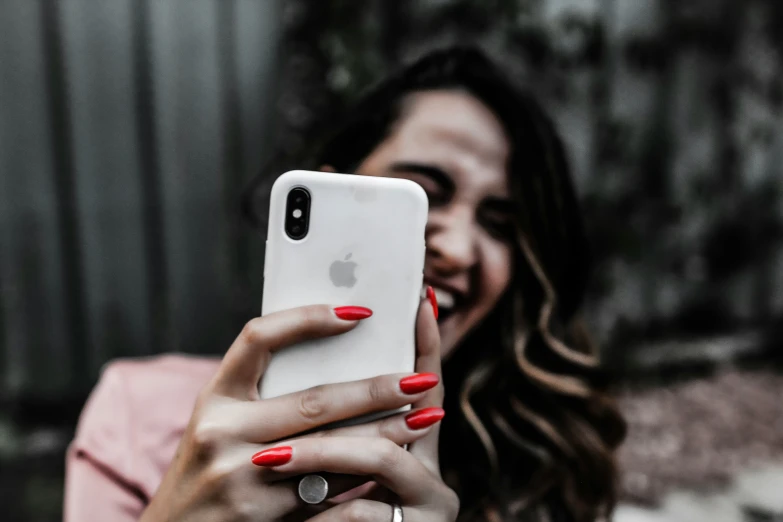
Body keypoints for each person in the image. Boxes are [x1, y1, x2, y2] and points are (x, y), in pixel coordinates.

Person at [64, 46, 625, 522]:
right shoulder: (138, 414)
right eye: (423, 194)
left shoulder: (539, 459)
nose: (457, 248)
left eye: (501, 225)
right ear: (330, 189)